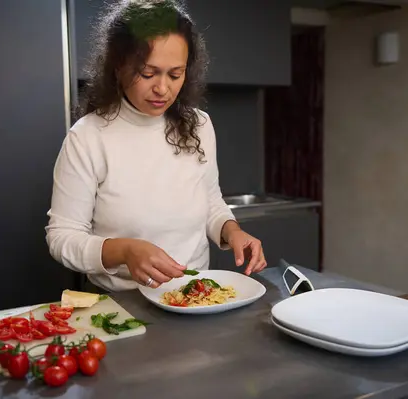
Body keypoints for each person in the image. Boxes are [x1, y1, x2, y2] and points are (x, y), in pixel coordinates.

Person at [45, 0, 266, 292]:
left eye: (175, 74)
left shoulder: (199, 126)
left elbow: (210, 202)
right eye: (148, 74)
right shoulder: (87, 137)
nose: (163, 88)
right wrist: (124, 250)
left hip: (193, 294)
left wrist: (231, 230)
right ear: (119, 66)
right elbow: (62, 237)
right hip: (120, 303)